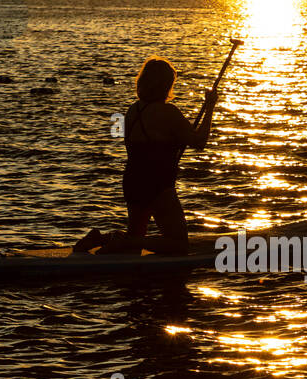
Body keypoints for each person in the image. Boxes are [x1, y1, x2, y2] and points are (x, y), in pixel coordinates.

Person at [73, 57, 218, 255]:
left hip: (133, 181)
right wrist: (210, 107)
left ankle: (102, 238)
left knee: (134, 245)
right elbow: (200, 142)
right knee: (179, 245)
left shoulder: (133, 110)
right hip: (157, 185)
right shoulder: (168, 112)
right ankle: (122, 243)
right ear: (166, 85)